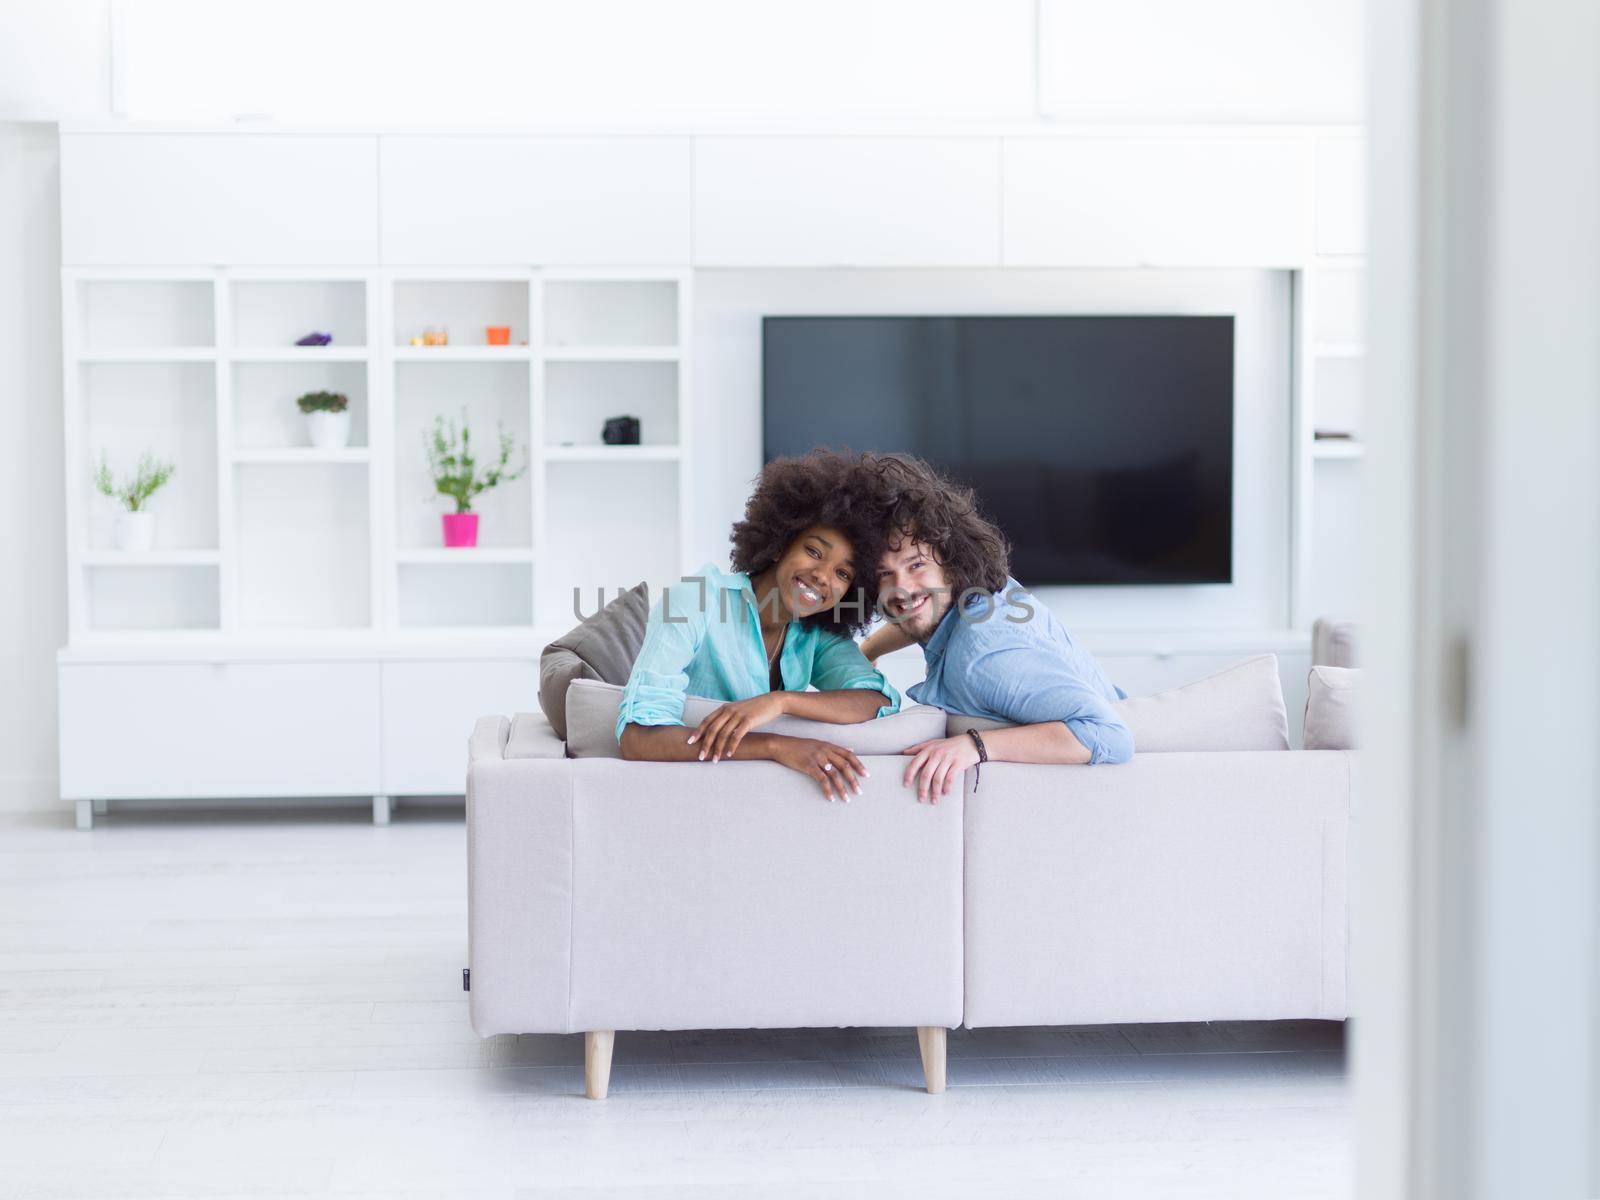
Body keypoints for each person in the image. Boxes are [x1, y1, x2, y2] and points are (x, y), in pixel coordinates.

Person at [617, 450, 899, 803]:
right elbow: (637, 737)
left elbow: (877, 702)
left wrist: (779, 702)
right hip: (680, 800)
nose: (823, 577)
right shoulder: (696, 599)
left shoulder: (817, 630)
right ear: (782, 543)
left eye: (843, 573)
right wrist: (774, 745)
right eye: (814, 552)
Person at [860, 455, 1134, 803]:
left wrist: (975, 745)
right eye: (884, 574)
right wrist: (870, 649)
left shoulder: (985, 658)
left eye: (916, 565)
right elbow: (914, 609)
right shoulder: (969, 599)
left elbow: (1110, 736)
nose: (901, 586)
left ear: (950, 562)